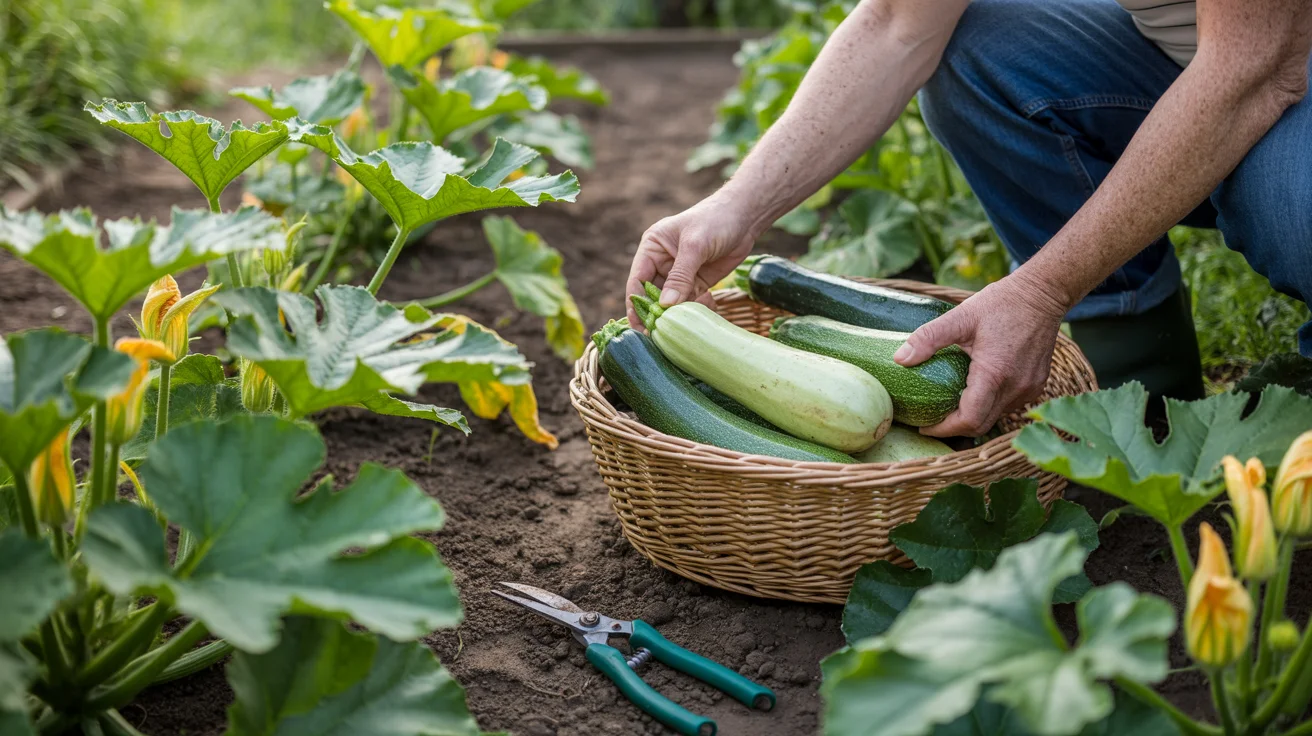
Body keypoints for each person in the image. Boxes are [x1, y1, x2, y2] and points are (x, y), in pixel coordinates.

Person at [626, 0, 1312, 437]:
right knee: (985, 51)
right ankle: (1148, 415)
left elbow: (1258, 67)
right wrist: (735, 206)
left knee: (1288, 202)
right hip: (1202, 61)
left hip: (1276, 66)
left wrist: (1042, 290)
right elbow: (899, 23)